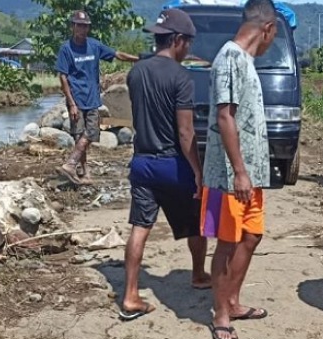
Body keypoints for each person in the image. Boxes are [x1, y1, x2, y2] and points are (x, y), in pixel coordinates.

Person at [118, 8, 211, 321]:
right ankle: (199, 274)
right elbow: (185, 132)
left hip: (142, 163)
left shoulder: (136, 73)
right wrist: (197, 171)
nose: (188, 49)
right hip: (172, 164)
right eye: (188, 43)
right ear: (178, 40)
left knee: (140, 227)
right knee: (196, 222)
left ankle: (131, 294)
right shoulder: (181, 77)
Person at [201, 0, 278, 339]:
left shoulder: (245, 60)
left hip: (251, 175)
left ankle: (232, 301)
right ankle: (220, 313)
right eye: (273, 37)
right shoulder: (230, 57)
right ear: (268, 29)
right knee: (228, 241)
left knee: (251, 236)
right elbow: (225, 116)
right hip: (230, 177)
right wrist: (239, 171)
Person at [56, 10, 139, 185]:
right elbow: (63, 77)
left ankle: (71, 164)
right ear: (73, 27)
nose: (82, 29)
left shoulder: (94, 45)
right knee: (79, 136)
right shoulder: (66, 49)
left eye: (85, 26)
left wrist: (138, 59)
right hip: (76, 100)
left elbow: (117, 54)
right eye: (79, 26)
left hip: (92, 99)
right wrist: (71, 103)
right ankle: (83, 172)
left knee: (91, 133)